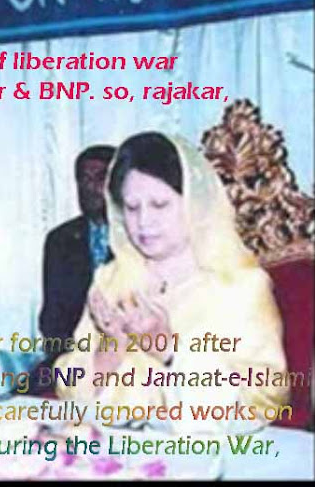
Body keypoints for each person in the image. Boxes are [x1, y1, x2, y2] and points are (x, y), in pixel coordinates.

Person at [54, 132, 288, 433]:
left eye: (160, 204)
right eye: (132, 207)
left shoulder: (240, 286)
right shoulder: (112, 279)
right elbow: (69, 390)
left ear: (194, 204)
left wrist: (169, 351)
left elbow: (264, 400)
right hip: (115, 448)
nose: (143, 222)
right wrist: (110, 352)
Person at [39, 145, 115, 348]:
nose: (90, 187)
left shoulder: (140, 236)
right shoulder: (60, 240)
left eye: (100, 178)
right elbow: (52, 317)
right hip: (72, 351)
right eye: (84, 179)